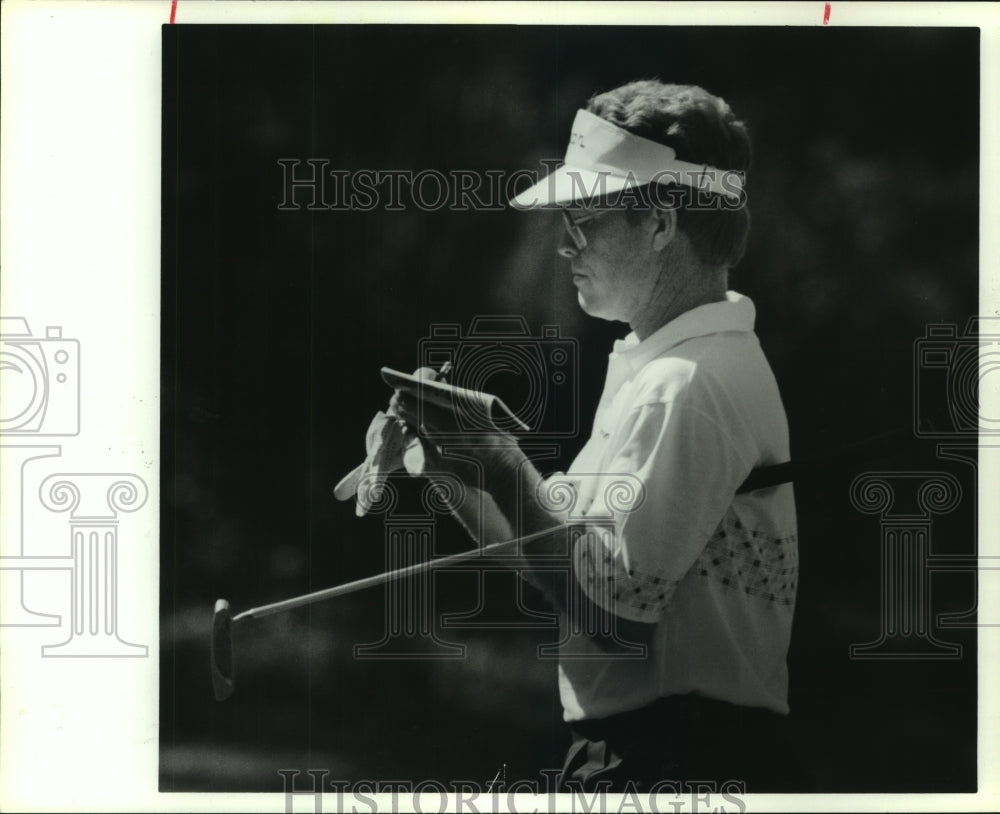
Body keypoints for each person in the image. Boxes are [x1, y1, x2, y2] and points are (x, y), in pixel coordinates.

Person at [391, 80, 806, 792]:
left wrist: (501, 461)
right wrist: (457, 464)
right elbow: (558, 570)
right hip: (663, 749)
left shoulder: (687, 383)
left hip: (676, 755)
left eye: (584, 219)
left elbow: (613, 619)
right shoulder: (669, 366)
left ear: (661, 223)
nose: (564, 245)